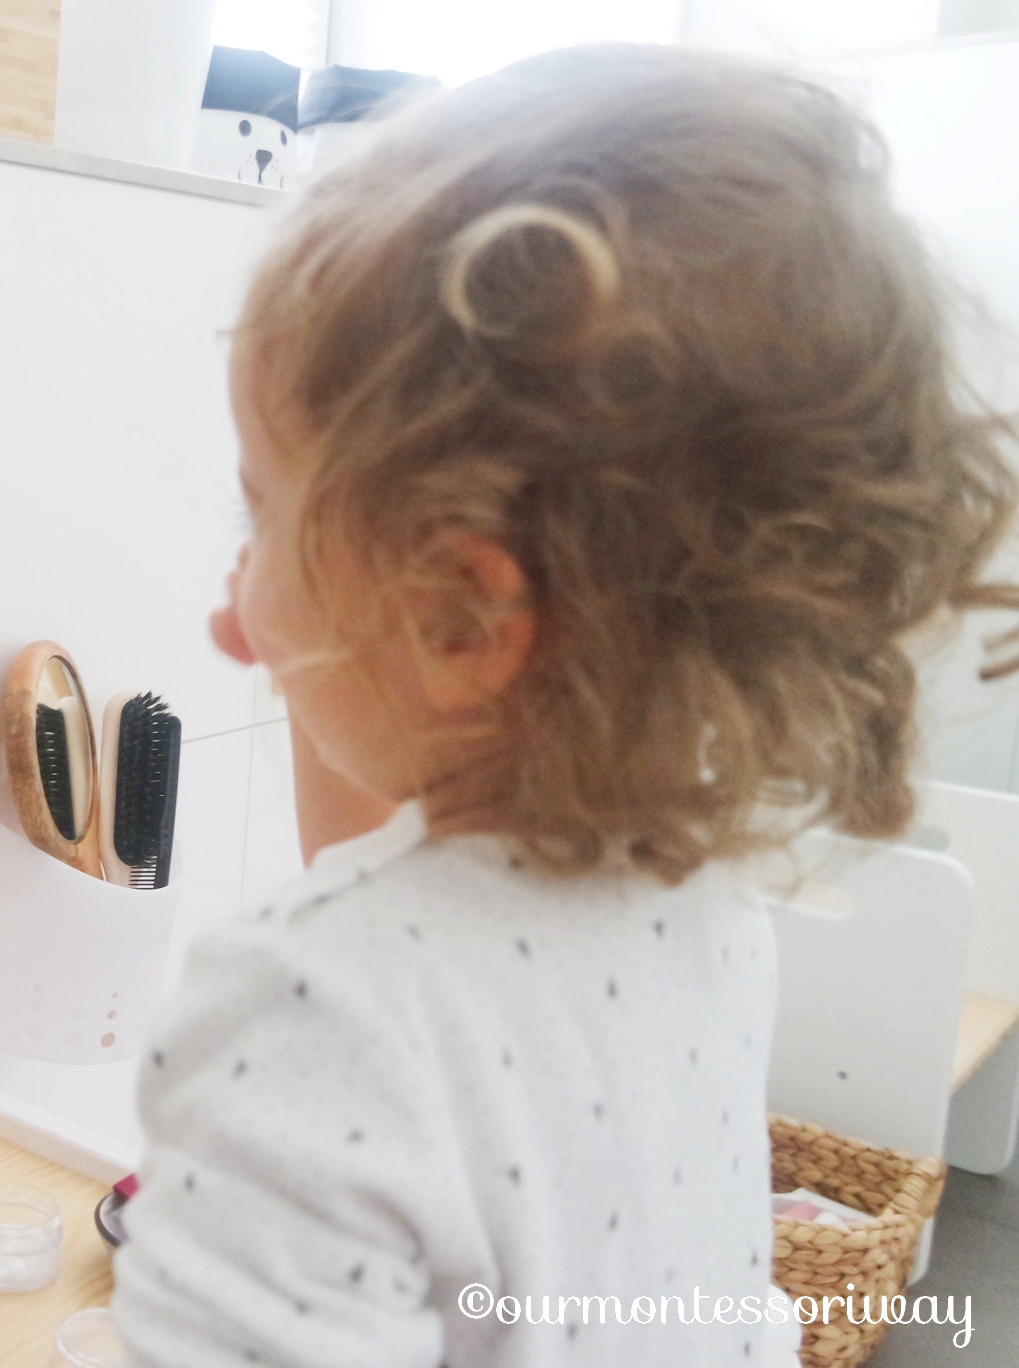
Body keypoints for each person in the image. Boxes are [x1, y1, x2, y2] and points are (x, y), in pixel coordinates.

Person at [111, 44, 1017, 1367]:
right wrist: (319, 640)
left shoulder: (303, 1003)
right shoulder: (693, 899)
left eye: (263, 508)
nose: (236, 578)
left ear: (464, 618)